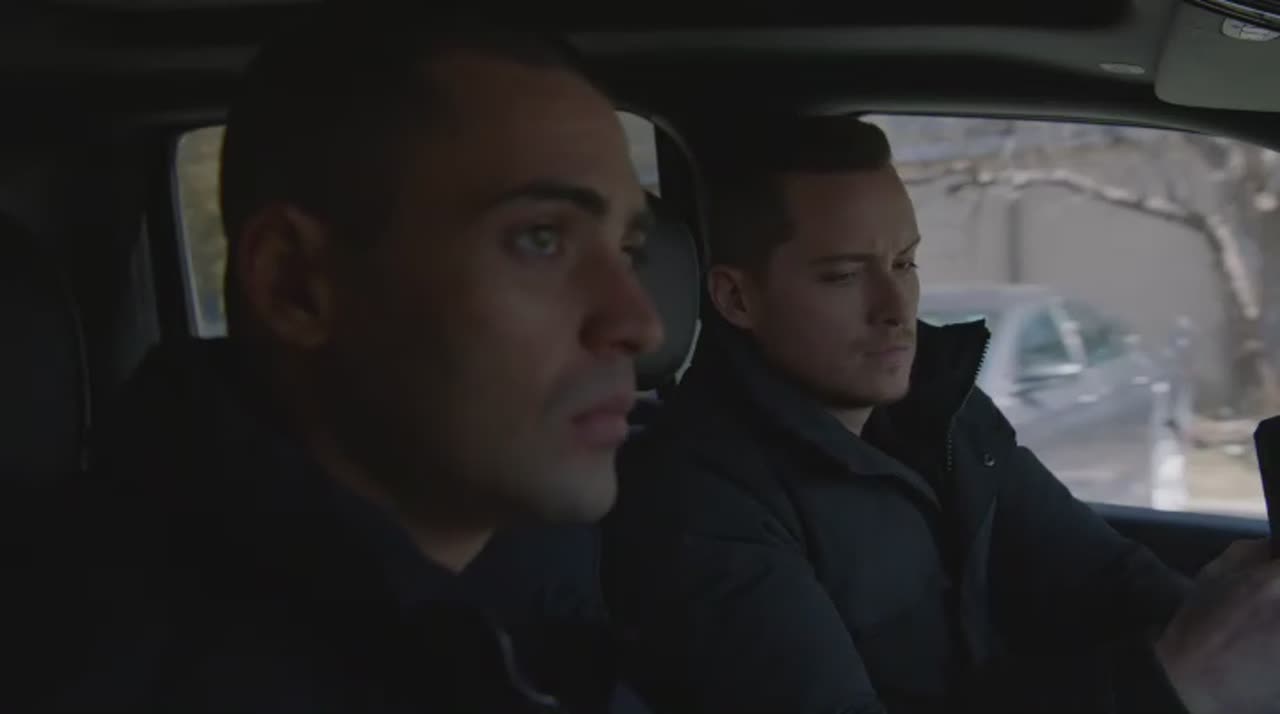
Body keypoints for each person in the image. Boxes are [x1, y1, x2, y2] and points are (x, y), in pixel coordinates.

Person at [14, 5, 663, 712]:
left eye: (630, 251)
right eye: (540, 239)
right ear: (296, 286)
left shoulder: (526, 558)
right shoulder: (103, 664)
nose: (640, 325)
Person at [603, 116, 1280, 714]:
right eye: (843, 275)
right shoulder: (699, 503)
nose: (895, 307)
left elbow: (1103, 578)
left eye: (905, 262)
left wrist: (1232, 629)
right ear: (737, 298)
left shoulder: (941, 410)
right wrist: (1172, 682)